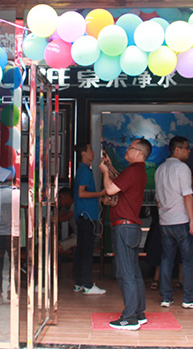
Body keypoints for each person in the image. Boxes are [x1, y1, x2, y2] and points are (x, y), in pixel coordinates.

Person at [99, 138, 152, 330]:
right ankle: (139, 312)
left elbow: (110, 189)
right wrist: (110, 167)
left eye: (130, 148)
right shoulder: (137, 171)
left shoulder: (133, 171)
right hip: (131, 227)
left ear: (139, 153)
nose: (126, 150)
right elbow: (120, 182)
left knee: (125, 273)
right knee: (134, 271)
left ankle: (129, 317)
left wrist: (105, 172)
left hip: (124, 227)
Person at [155, 136, 193, 309]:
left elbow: (157, 199)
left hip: (165, 221)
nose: (189, 151)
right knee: (188, 260)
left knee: (166, 259)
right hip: (181, 220)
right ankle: (189, 297)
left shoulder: (160, 169)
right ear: (177, 150)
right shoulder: (182, 168)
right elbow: (188, 195)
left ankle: (166, 297)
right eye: (186, 148)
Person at [73, 142, 107, 295]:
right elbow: (82, 193)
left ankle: (79, 283)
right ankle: (88, 285)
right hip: (87, 217)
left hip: (82, 216)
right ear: (83, 153)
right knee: (87, 252)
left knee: (81, 250)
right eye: (90, 150)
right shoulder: (85, 171)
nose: (93, 152)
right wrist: (100, 194)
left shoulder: (82, 170)